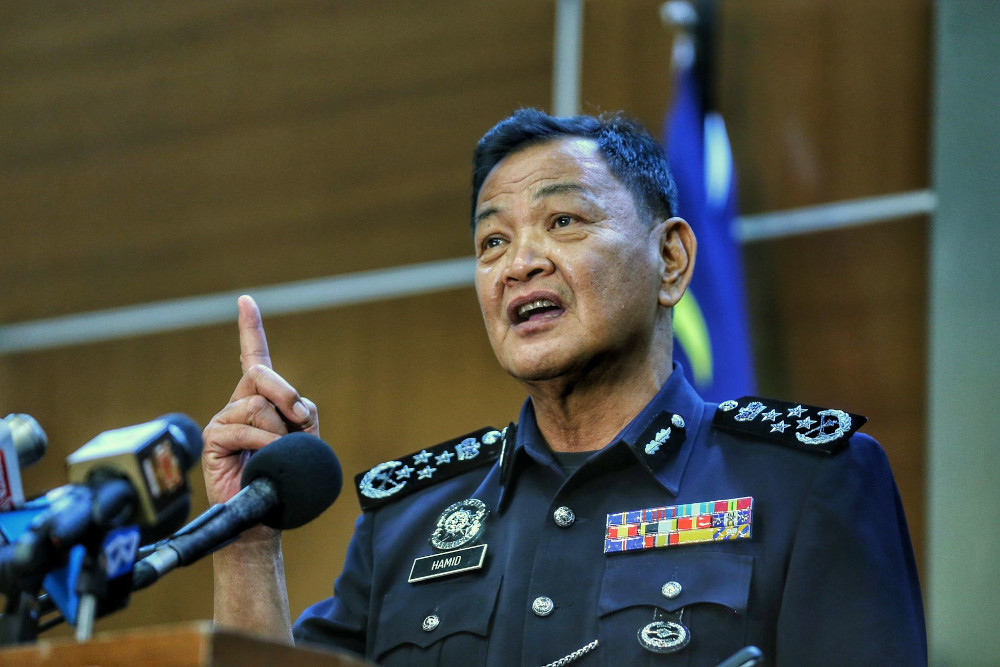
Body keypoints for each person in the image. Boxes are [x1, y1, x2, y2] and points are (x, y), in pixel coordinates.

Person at [202, 109, 926, 665]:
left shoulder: (806, 481)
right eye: (493, 241)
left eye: (562, 220)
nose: (519, 263)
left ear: (670, 259)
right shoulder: (410, 520)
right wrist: (247, 541)